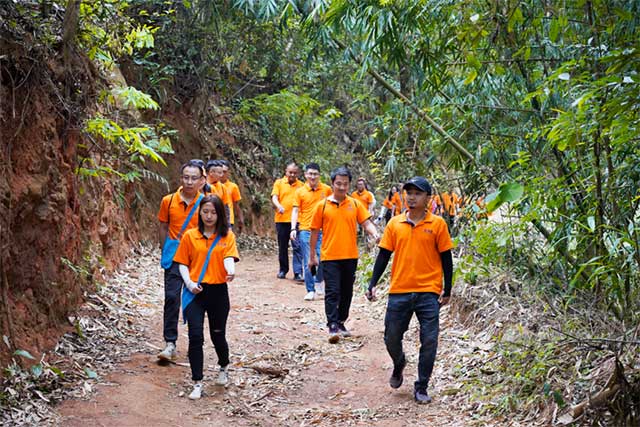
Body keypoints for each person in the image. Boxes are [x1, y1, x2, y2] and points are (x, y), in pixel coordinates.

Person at [366, 176, 454, 404]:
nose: (412, 197)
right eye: (409, 193)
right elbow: (384, 254)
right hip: (400, 291)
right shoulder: (395, 223)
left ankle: (421, 386)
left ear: (428, 198)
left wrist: (448, 289)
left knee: (430, 340)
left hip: (428, 292)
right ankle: (399, 362)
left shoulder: (438, 225)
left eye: (418, 193)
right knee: (391, 337)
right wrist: (372, 282)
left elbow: (446, 258)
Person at [173, 195, 239, 400]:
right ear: (199, 213)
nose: (209, 216)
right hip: (195, 292)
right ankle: (197, 382)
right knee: (195, 336)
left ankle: (223, 367)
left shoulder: (227, 236)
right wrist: (190, 284)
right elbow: (183, 263)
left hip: (218, 292)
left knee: (217, 334)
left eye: (213, 212)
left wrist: (231, 270)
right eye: (205, 212)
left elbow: (229, 257)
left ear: (220, 214)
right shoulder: (190, 236)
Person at [309, 166, 379, 343]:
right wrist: (312, 255)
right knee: (333, 291)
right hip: (330, 256)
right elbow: (315, 232)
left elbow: (366, 223)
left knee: (347, 291)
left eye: (345, 184)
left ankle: (341, 321)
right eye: (338, 183)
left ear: (349, 185)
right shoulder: (322, 206)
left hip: (350, 256)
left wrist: (375, 234)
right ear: (332, 184)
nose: (341, 187)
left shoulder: (355, 204)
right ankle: (332, 324)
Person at [157, 160, 206, 361]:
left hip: (198, 259)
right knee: (171, 297)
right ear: (180, 178)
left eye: (194, 178)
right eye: (186, 177)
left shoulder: (206, 203)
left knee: (197, 299)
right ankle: (170, 342)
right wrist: (164, 248)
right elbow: (162, 225)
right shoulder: (168, 201)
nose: (189, 182)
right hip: (175, 258)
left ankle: (196, 342)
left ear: (202, 180)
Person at [290, 163, 332, 300]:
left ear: (319, 175)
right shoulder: (300, 192)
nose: (313, 177)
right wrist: (293, 228)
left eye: (315, 174)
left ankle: (320, 283)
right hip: (305, 230)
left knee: (323, 259)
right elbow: (295, 210)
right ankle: (311, 289)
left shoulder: (326, 190)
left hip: (323, 230)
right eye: (310, 174)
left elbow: (333, 207)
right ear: (305, 175)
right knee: (309, 259)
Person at [271, 162, 304, 281]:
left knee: (297, 246)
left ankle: (298, 272)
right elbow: (274, 197)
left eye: (295, 173)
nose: (292, 175)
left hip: (297, 220)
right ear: (286, 172)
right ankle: (283, 270)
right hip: (282, 220)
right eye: (290, 172)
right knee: (283, 246)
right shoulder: (279, 183)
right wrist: (278, 205)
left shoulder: (301, 185)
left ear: (298, 173)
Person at [220, 159, 245, 234]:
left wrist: (240, 219)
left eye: (224, 172)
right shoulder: (211, 186)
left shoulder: (233, 187)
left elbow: (236, 204)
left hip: (228, 220)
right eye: (220, 172)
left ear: (228, 173)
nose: (222, 174)